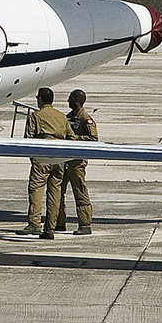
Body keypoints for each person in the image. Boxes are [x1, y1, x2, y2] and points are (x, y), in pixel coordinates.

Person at [22, 87, 74, 239]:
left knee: (36, 189)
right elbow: (71, 137)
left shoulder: (36, 116)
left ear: (40, 99)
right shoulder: (62, 117)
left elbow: (28, 138)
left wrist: (33, 157)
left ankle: (34, 223)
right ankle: (50, 228)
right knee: (55, 192)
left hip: (42, 154)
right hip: (59, 156)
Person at [57, 89, 98, 235]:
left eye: (70, 98)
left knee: (80, 191)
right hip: (64, 160)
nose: (67, 101)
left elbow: (93, 139)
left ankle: (85, 224)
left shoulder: (85, 119)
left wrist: (76, 139)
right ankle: (59, 222)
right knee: (58, 191)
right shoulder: (67, 118)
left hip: (77, 163)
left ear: (76, 100)